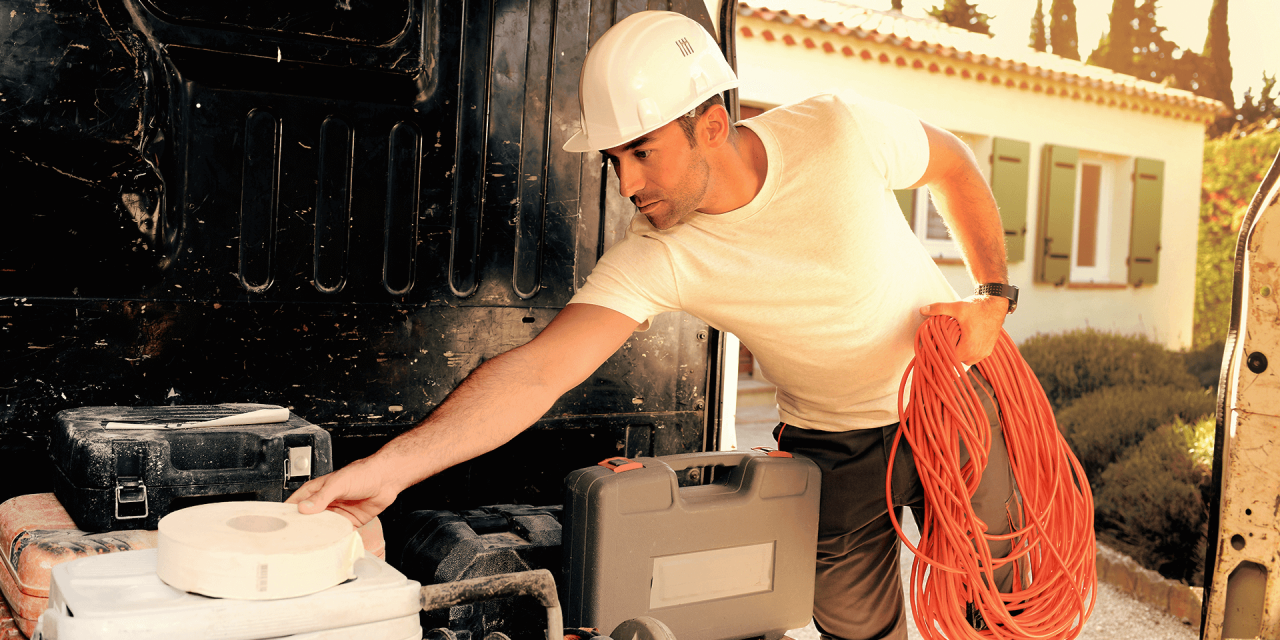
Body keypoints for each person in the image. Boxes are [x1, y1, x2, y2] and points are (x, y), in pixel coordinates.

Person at [289, 10, 1021, 640]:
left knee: (1005, 607)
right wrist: (385, 472)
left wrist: (992, 297)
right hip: (833, 443)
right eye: (615, 159)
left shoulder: (837, 129)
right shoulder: (658, 254)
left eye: (643, 152)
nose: (628, 184)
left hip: (951, 394)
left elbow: (954, 165)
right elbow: (536, 372)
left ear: (711, 125)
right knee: (855, 627)